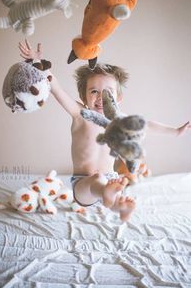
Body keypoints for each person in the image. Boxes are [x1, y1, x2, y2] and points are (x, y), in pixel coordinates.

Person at [19, 40, 190, 222]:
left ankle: (121, 207)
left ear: (119, 98)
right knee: (97, 180)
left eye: (108, 92)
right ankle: (109, 195)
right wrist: (37, 62)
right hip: (83, 183)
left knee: (113, 191)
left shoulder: (120, 121)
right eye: (93, 92)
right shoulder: (80, 114)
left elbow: (147, 124)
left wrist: (175, 131)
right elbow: (56, 89)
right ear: (83, 96)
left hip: (111, 179)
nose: (101, 97)